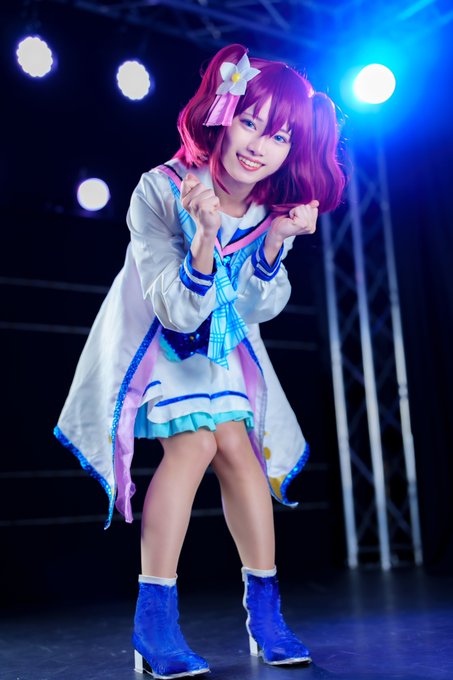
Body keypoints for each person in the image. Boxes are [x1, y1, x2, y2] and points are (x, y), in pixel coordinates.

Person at [54, 43, 345, 678]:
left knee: (239, 448)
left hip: (222, 350)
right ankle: (154, 622)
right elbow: (175, 309)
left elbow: (256, 309)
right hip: (158, 342)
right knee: (194, 445)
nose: (259, 147)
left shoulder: (270, 211)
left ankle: (265, 613)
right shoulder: (159, 189)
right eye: (251, 122)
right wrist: (207, 236)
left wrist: (274, 239)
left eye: (280, 137)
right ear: (223, 114)